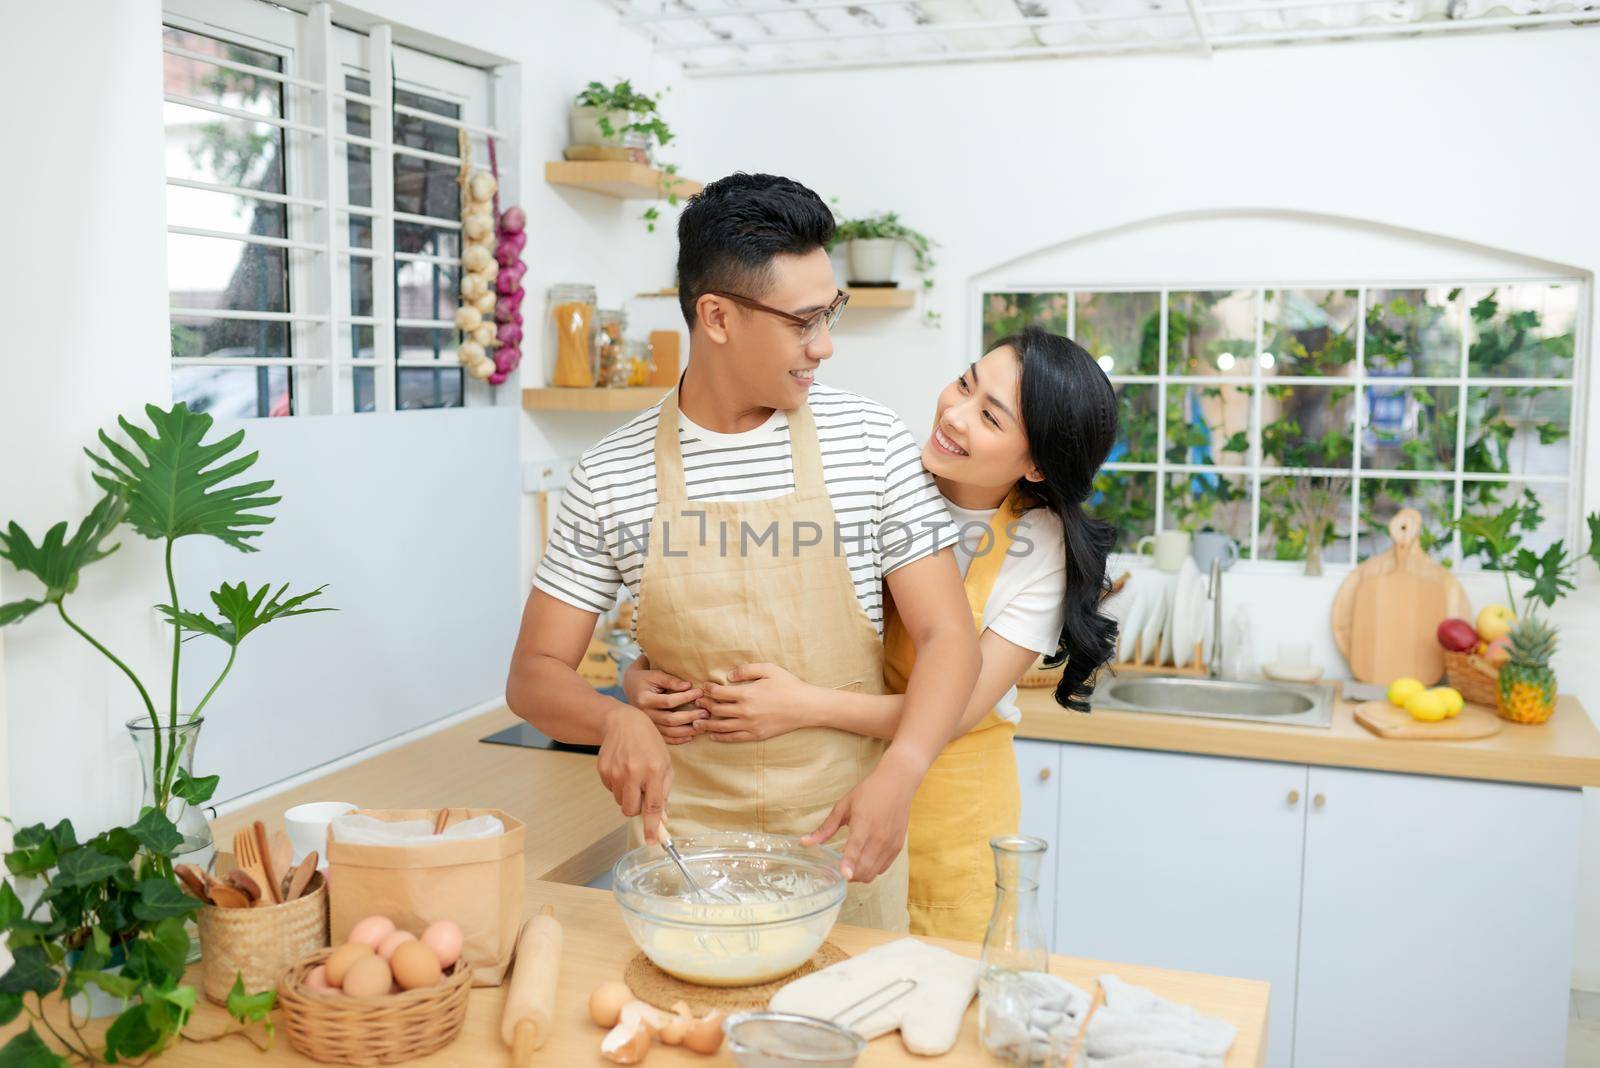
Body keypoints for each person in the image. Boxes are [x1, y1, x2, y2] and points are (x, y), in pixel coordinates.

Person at [505, 173, 981, 931]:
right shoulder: (610, 474)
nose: (823, 346)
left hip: (843, 846)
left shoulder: (870, 441)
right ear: (716, 316)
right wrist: (614, 718)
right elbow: (533, 676)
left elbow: (948, 637)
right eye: (803, 323)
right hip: (687, 861)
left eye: (832, 314)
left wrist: (904, 768)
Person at [626, 325, 1120, 940]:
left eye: (990, 418)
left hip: (953, 793)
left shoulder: (1040, 547)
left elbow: (957, 710)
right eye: (965, 384)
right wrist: (639, 676)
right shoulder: (872, 473)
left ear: (1039, 464)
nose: (955, 415)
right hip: (835, 776)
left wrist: (803, 706)